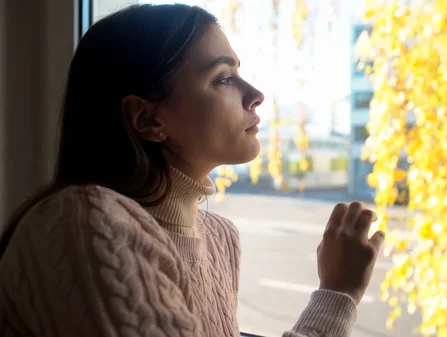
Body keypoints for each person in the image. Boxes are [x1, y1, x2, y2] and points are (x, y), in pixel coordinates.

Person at [0, 4, 385, 337]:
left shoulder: (219, 238)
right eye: (222, 78)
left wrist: (339, 291)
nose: (255, 95)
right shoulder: (86, 225)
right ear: (147, 118)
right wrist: (338, 294)